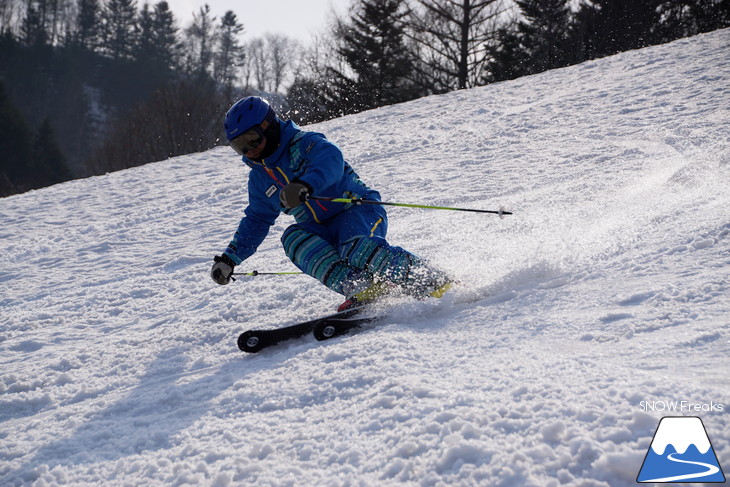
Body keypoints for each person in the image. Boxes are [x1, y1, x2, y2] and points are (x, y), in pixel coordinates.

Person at [211, 96, 451, 311]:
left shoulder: (305, 144)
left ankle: (432, 281)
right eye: (239, 147)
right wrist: (230, 259)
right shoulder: (260, 178)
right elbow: (257, 219)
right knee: (294, 239)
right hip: (319, 227)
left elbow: (331, 161)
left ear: (269, 126)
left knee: (355, 249)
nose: (249, 151)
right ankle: (363, 288)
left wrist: (305, 185)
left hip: (356, 209)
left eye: (252, 140)